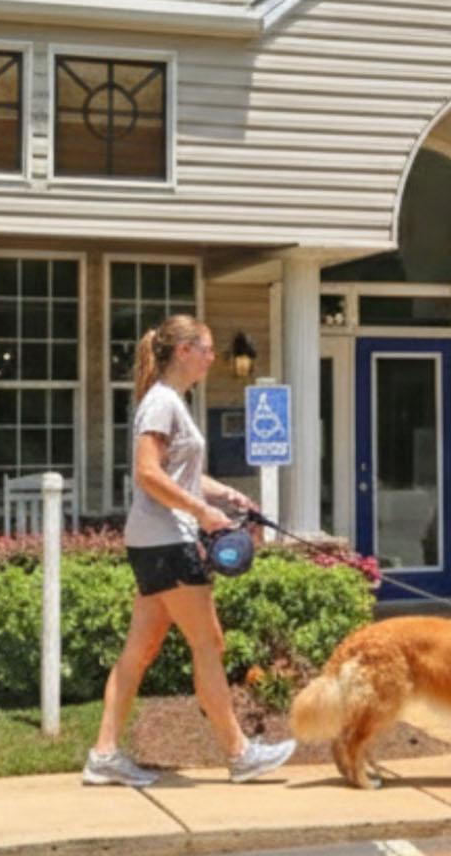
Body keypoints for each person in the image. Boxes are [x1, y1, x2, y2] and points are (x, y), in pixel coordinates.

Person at [84, 313, 297, 787]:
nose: (212, 357)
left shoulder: (168, 402)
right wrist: (201, 514)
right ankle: (240, 754)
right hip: (168, 539)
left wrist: (222, 495)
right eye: (205, 348)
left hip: (153, 540)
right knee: (209, 642)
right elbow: (148, 473)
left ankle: (103, 755)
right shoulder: (162, 403)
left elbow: (175, 473)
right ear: (183, 352)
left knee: (140, 650)